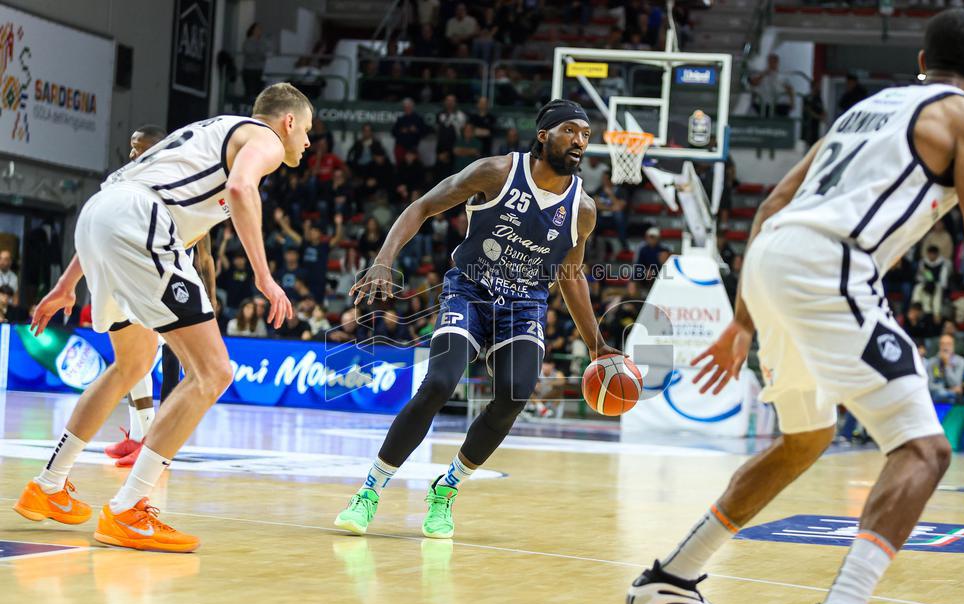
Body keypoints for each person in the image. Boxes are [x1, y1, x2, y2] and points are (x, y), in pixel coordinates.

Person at [625, 10, 964, 604]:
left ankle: (672, 577)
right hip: (832, 264)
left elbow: (772, 205)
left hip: (775, 259)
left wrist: (745, 319)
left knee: (806, 439)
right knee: (924, 450)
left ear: (920, 59)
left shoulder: (865, 109)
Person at [15, 83, 307, 553]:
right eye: (307, 130)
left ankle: (48, 485)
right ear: (289, 122)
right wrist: (264, 276)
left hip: (99, 216)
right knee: (213, 372)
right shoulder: (265, 137)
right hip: (138, 222)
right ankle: (130, 508)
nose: (308, 143)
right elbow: (239, 189)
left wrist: (69, 282)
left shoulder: (211, 132)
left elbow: (117, 205)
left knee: (132, 365)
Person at [334, 99, 617, 539]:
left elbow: (570, 273)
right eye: (570, 131)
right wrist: (385, 258)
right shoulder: (496, 172)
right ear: (543, 135)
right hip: (470, 290)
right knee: (439, 384)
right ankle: (370, 490)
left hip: (523, 305)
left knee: (514, 394)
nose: (580, 141)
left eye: (585, 134)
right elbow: (422, 206)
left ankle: (446, 490)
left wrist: (597, 343)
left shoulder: (583, 209)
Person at [106, 125, 220, 468]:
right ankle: (143, 434)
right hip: (139, 278)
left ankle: (158, 444)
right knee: (133, 361)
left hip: (174, 284)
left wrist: (211, 298)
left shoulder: (184, 187)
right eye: (130, 147)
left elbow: (206, 255)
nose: (131, 154)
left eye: (138, 148)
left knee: (171, 367)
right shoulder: (126, 182)